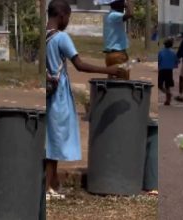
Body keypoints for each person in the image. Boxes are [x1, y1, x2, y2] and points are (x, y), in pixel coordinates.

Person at [46, 0, 124, 200]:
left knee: (51, 139)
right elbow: (79, 65)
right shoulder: (61, 37)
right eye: (68, 18)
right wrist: (109, 71)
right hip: (58, 96)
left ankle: (53, 183)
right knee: (55, 142)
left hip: (49, 93)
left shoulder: (44, 35)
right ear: (62, 15)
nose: (68, 22)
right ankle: (48, 188)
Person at [103, 0, 133, 79]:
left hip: (110, 55)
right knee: (123, 82)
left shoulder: (108, 15)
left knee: (112, 83)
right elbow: (130, 14)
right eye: (123, 2)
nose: (124, 4)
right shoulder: (114, 15)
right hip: (118, 55)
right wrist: (129, 3)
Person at [158, 38, 179, 105]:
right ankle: (168, 100)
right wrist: (174, 65)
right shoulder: (173, 52)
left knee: (160, 85)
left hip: (162, 70)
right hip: (169, 70)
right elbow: (177, 61)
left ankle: (168, 94)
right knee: (168, 85)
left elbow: (159, 61)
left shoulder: (161, 52)